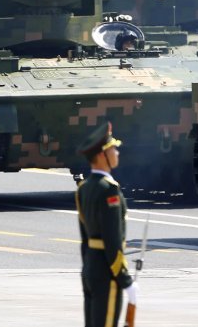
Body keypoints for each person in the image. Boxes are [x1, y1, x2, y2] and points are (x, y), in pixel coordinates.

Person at [75, 119, 137, 327]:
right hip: (106, 271)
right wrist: (125, 280)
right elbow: (112, 241)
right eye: (113, 149)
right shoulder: (109, 190)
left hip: (91, 268)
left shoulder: (84, 188)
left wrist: (88, 268)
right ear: (102, 155)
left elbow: (85, 239)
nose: (117, 153)